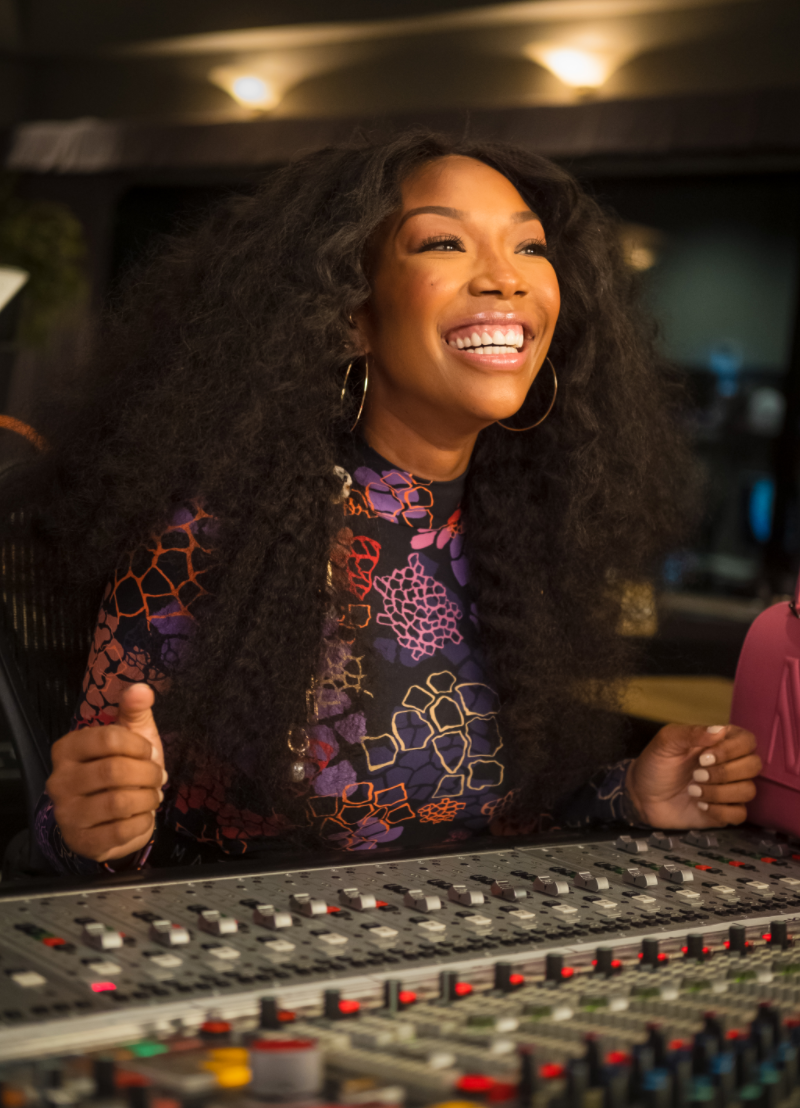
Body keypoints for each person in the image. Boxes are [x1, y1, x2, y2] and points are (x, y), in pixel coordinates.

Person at [22, 132, 759, 875]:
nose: (506, 279)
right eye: (444, 243)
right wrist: (98, 830)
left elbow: (490, 816)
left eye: (530, 248)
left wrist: (629, 793)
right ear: (351, 310)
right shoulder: (211, 537)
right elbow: (75, 837)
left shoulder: (534, 538)